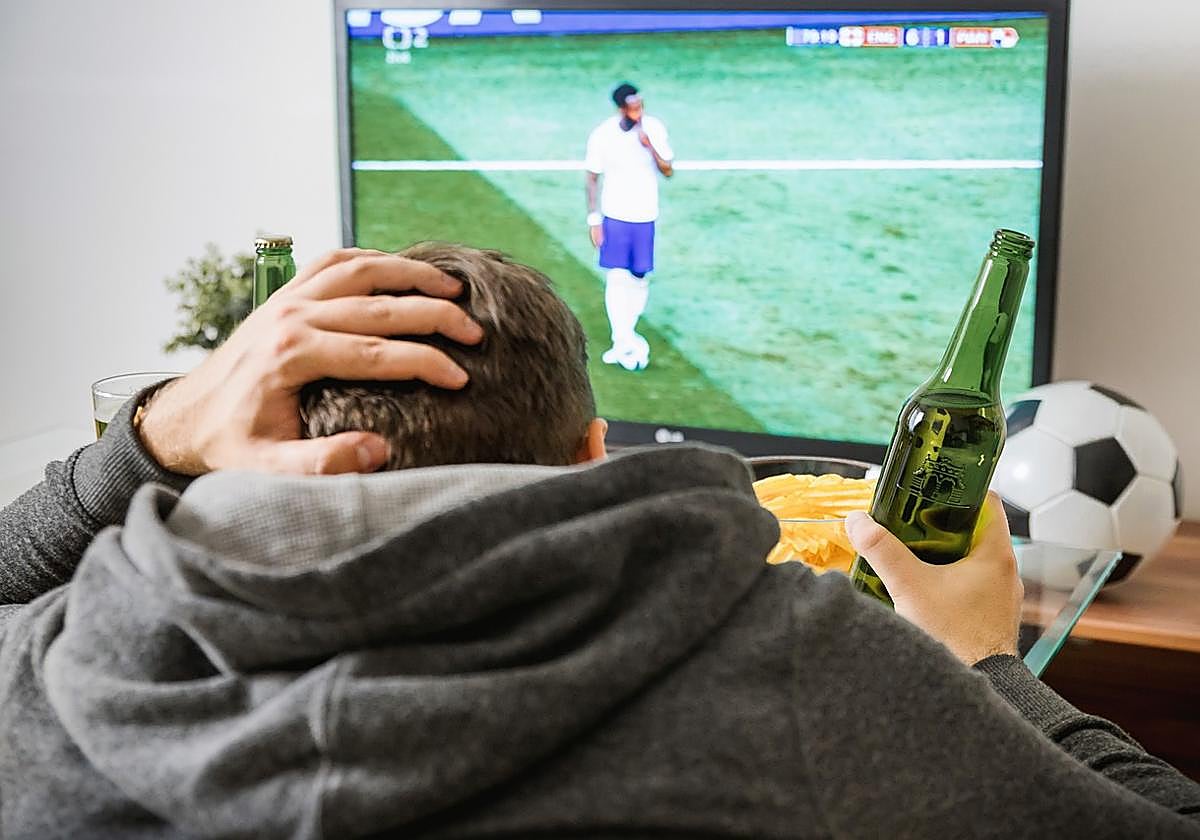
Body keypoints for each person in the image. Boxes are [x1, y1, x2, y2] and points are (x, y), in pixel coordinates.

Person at [0, 244, 1197, 839]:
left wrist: (151, 437)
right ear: (592, 452)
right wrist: (984, 667)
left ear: (257, 447)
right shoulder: (812, 674)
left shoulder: (57, 670)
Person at [585, 81, 674, 372]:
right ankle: (621, 339)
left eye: (641, 105)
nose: (639, 111)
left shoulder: (655, 129)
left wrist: (650, 147)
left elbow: (668, 170)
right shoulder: (603, 135)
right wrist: (594, 219)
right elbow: (592, 178)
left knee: (639, 275)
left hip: (645, 214)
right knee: (617, 275)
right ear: (621, 108)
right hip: (615, 215)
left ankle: (627, 331)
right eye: (633, 106)